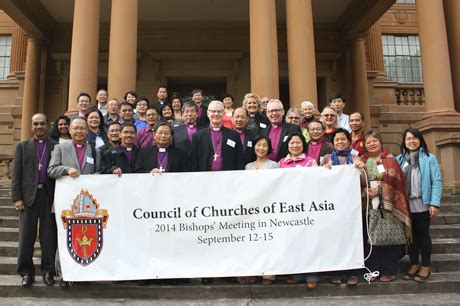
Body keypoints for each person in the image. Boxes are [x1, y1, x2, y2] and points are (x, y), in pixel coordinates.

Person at [47, 117, 101, 288]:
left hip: (86, 205)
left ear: (87, 131)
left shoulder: (94, 151)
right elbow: (51, 170)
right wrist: (66, 169)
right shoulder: (60, 148)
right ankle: (64, 274)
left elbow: (99, 172)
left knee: (86, 239)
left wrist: (94, 179)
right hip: (66, 203)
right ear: (69, 130)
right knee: (66, 239)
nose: (79, 131)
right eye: (75, 128)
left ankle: (83, 274)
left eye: (82, 128)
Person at [12, 113, 58, 287]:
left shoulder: (55, 146)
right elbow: (16, 174)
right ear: (32, 126)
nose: (39, 126)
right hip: (28, 195)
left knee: (48, 235)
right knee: (26, 236)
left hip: (48, 195)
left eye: (42, 123)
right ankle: (26, 272)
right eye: (36, 123)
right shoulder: (22, 147)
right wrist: (17, 198)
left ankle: (48, 271)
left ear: (47, 126)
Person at [362, 131, 412, 282]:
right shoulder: (362, 161)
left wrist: (378, 191)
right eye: (368, 142)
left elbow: (395, 182)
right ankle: (374, 270)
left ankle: (390, 270)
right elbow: (358, 180)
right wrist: (365, 190)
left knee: (389, 239)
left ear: (380, 142)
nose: (371, 144)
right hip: (369, 205)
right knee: (372, 239)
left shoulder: (389, 160)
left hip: (389, 205)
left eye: (374, 141)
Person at [320, 128, 365, 286]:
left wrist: (361, 169)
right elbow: (318, 182)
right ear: (333, 143)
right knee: (334, 238)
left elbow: (364, 183)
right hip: (332, 206)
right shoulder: (325, 159)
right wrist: (324, 171)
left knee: (353, 237)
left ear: (348, 141)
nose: (340, 142)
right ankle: (335, 272)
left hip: (352, 206)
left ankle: (353, 272)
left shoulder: (356, 158)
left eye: (343, 139)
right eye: (337, 139)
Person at [397, 128, 442, 283]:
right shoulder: (400, 159)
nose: (412, 141)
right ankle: (414, 263)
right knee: (410, 237)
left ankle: (426, 265)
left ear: (420, 140)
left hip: (422, 204)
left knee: (423, 235)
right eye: (408, 139)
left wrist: (435, 204)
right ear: (404, 142)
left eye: (415, 138)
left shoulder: (429, 158)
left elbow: (436, 181)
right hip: (405, 205)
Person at [191, 100, 244, 171]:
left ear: (223, 113)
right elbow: (194, 162)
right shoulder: (197, 136)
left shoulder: (234, 135)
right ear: (207, 113)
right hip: (204, 178)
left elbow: (239, 161)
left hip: (228, 178)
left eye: (219, 111)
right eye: (213, 111)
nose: (216, 114)